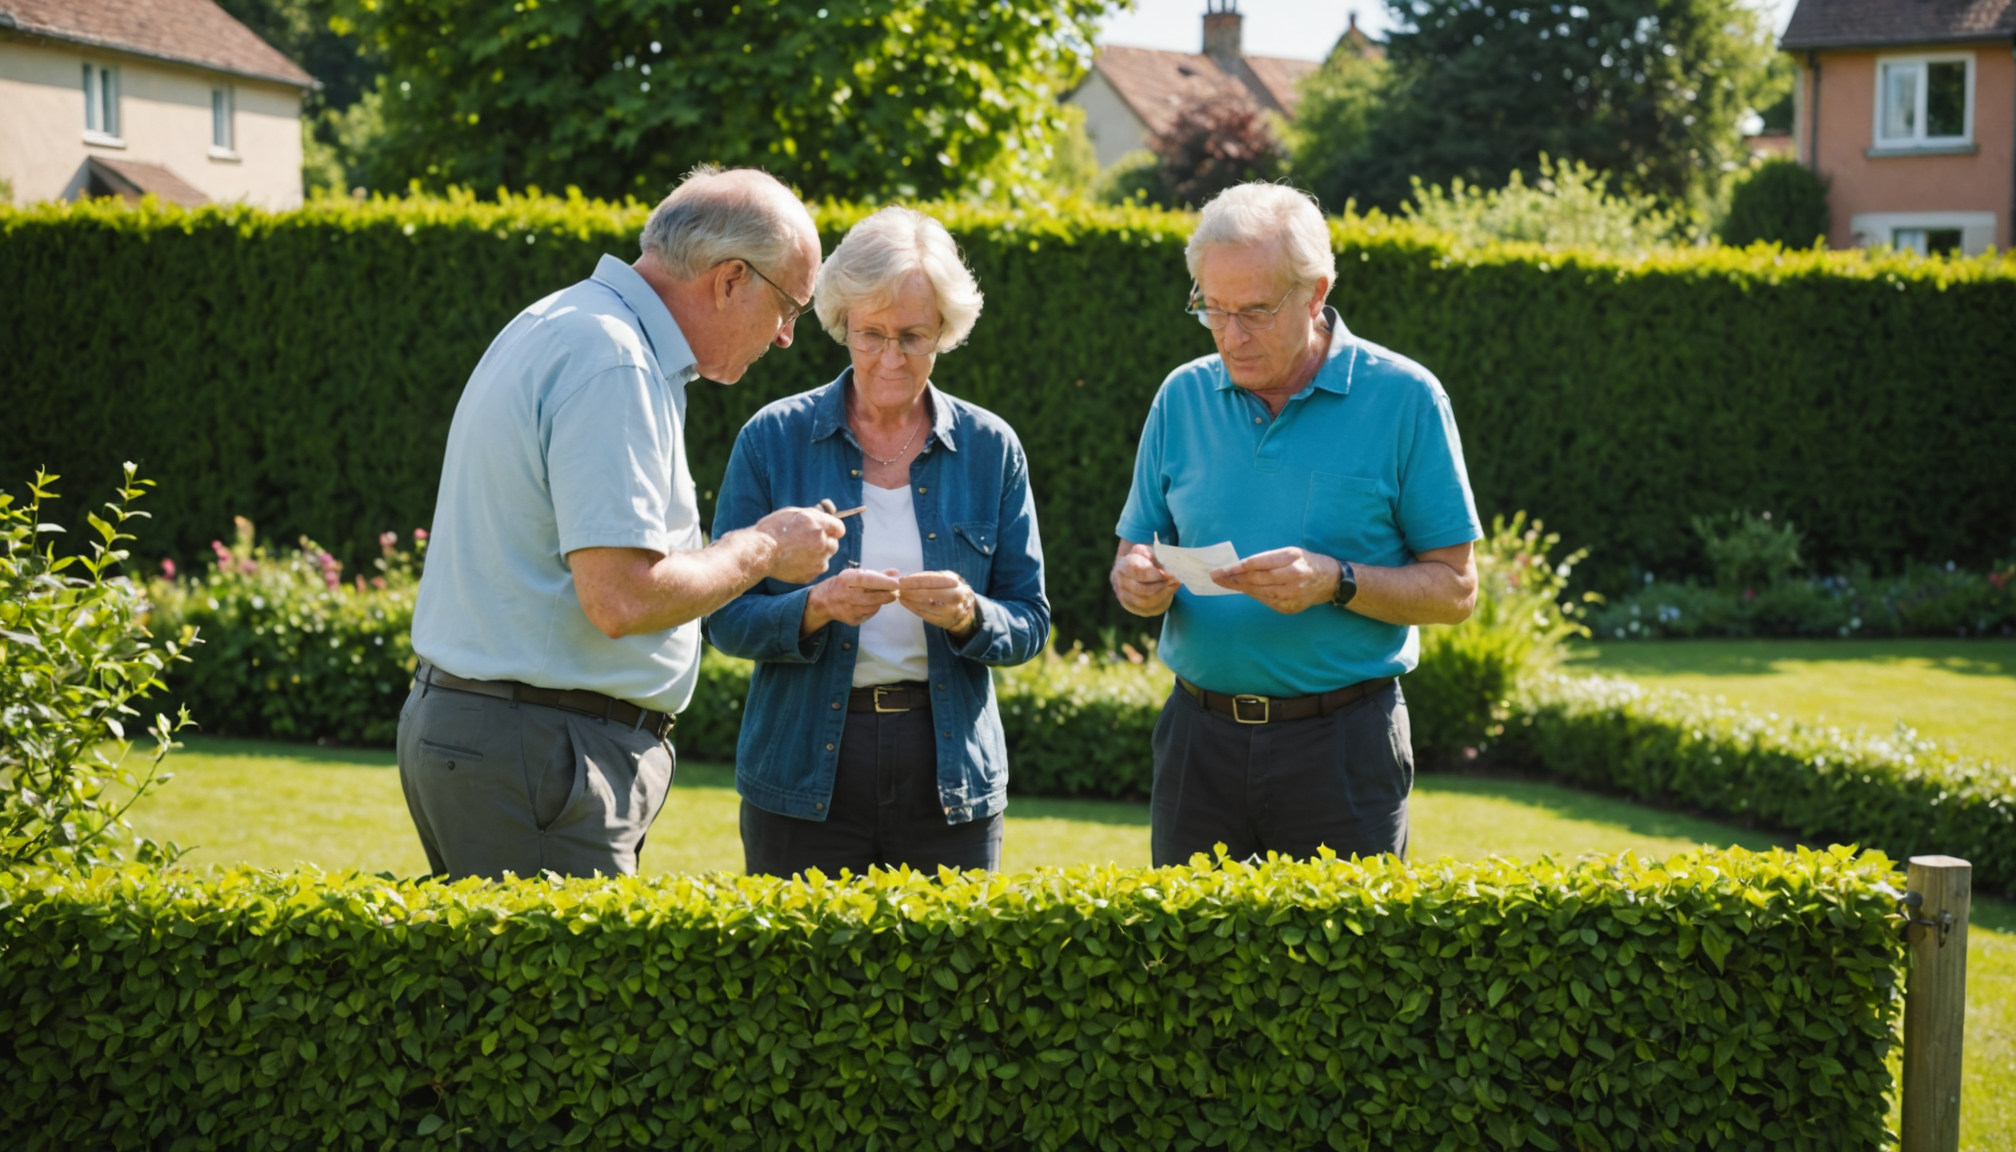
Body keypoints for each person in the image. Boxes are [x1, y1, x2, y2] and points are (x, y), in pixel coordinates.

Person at [398, 166, 846, 881]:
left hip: (511, 737)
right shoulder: (615, 361)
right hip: (543, 749)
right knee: (563, 995)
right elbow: (622, 597)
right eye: (789, 305)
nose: (788, 336)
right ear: (732, 279)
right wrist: (761, 547)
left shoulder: (567, 322)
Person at [1110, 182, 1482, 868]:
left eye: (1253, 310)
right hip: (1198, 741)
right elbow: (1137, 546)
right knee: (1183, 969)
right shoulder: (1181, 396)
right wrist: (1135, 579)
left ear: (1317, 292)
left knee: (1345, 971)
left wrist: (1334, 582)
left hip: (1342, 744)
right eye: (1211, 309)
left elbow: (1456, 590)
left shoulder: (1406, 398)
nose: (1231, 335)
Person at [706, 206, 1048, 877]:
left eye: (913, 337)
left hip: (947, 769)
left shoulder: (990, 448)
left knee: (952, 977)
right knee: (799, 977)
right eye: (871, 335)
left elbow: (1030, 620)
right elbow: (723, 619)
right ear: (841, 325)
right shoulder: (773, 439)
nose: (890, 357)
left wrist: (969, 615)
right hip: (802, 765)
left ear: (946, 332)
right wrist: (817, 606)